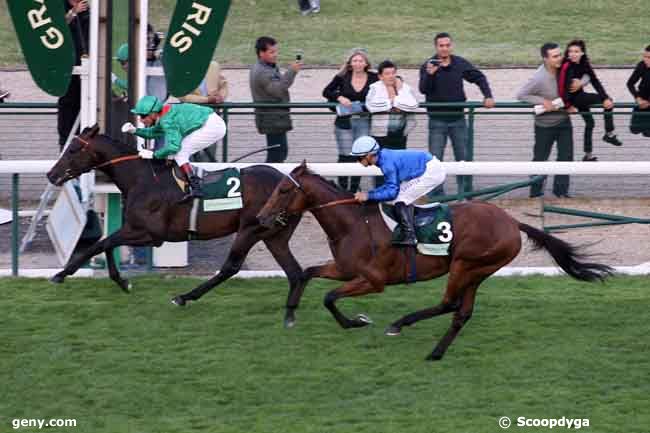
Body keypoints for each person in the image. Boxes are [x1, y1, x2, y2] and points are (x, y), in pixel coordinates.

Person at [419, 32, 494, 195]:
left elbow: (479, 77)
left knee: (464, 159)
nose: (445, 48)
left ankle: (465, 194)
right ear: (436, 47)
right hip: (437, 121)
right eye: (441, 45)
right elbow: (423, 89)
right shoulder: (428, 65)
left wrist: (487, 95)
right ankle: (436, 196)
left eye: (447, 45)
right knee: (434, 161)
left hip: (458, 120)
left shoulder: (460, 63)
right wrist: (430, 75)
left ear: (451, 46)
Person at [121, 96, 227, 202]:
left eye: (143, 116)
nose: (141, 119)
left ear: (153, 114)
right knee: (176, 153)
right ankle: (188, 183)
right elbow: (153, 133)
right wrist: (134, 130)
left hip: (212, 126)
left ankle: (195, 187)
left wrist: (153, 155)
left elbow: (174, 147)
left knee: (179, 152)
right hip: (211, 122)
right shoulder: (164, 115)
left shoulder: (167, 120)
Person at [351, 136, 446, 246]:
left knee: (400, 198)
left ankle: (410, 236)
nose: (358, 161)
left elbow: (392, 193)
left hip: (431, 171)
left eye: (358, 158)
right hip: (428, 167)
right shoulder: (384, 159)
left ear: (368, 155)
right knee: (400, 197)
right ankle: (409, 228)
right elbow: (389, 186)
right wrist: (369, 194)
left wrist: (368, 196)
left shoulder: (387, 163)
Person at [517, 42, 574, 199]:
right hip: (544, 126)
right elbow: (521, 95)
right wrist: (542, 101)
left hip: (564, 121)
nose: (560, 58)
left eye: (560, 54)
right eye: (555, 56)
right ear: (545, 59)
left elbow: (586, 75)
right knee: (540, 158)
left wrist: (579, 84)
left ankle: (561, 192)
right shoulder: (538, 77)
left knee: (566, 157)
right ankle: (535, 193)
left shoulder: (565, 69)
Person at [322, 48, 378, 192]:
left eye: (361, 61)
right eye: (355, 61)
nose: (358, 63)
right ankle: (341, 188)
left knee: (360, 154)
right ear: (350, 63)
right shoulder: (342, 76)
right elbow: (326, 91)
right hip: (344, 122)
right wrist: (339, 97)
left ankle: (353, 188)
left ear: (366, 63)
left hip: (364, 121)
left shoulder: (374, 78)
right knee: (345, 155)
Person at [558, 40, 622, 162]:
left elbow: (595, 81)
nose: (573, 54)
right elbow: (561, 87)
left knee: (590, 123)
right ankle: (609, 133)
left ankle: (588, 155)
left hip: (581, 97)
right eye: (570, 51)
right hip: (574, 100)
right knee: (608, 101)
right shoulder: (566, 65)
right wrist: (567, 106)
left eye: (576, 51)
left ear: (582, 53)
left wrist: (604, 96)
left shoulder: (584, 64)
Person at [249, 36, 302, 163]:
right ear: (261, 53)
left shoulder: (266, 67)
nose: (275, 55)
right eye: (272, 52)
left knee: (279, 153)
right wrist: (292, 72)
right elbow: (278, 90)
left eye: (276, 51)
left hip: (274, 118)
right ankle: (268, 181)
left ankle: (269, 180)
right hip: (272, 119)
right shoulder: (262, 71)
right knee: (277, 155)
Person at [179, 60, 229, 162]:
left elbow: (223, 85)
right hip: (191, 119)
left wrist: (221, 96)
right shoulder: (182, 68)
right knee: (189, 151)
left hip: (211, 117)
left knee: (210, 151)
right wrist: (207, 100)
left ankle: (208, 173)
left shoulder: (213, 66)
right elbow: (182, 96)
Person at [57, 0, 89, 152]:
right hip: (69, 67)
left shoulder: (89, 10)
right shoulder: (60, 6)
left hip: (86, 67)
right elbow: (55, 28)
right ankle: (65, 143)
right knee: (68, 104)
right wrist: (73, 12)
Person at [627, 45, 650, 137]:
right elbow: (630, 83)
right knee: (634, 129)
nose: (646, 59)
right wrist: (637, 98)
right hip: (641, 100)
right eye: (644, 56)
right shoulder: (641, 65)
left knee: (648, 133)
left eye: (649, 57)